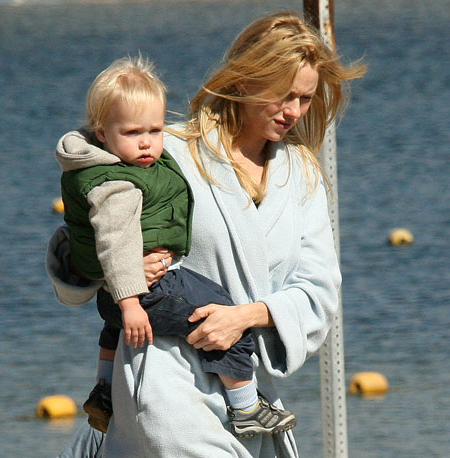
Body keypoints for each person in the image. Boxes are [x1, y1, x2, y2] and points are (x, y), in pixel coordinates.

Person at [47, 10, 365, 458]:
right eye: (282, 95)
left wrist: (246, 316)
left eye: (305, 99)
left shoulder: (302, 176)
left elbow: (319, 289)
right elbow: (89, 220)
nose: (294, 111)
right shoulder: (167, 151)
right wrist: (116, 269)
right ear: (245, 81)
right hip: (164, 381)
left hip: (246, 388)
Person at [56, 56, 297, 437]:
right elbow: (114, 243)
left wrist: (121, 300)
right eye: (132, 132)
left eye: (155, 130)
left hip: (117, 297)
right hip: (147, 291)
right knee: (220, 314)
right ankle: (246, 406)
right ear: (101, 133)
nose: (147, 142)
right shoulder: (117, 185)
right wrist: (130, 301)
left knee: (113, 328)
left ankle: (103, 391)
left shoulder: (116, 165)